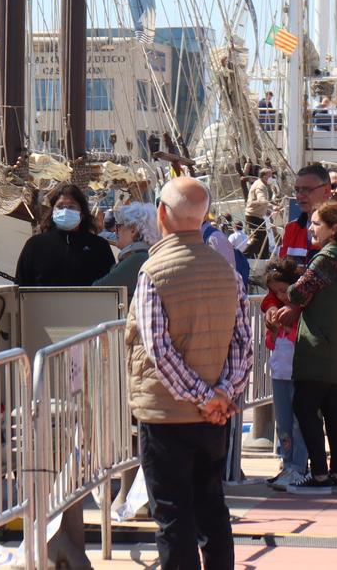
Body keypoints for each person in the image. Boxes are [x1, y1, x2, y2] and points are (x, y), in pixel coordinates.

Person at [124, 177, 251, 570]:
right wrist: (221, 394)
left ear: (162, 213)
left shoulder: (153, 272)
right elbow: (242, 343)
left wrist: (201, 394)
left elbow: (159, 350)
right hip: (214, 414)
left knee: (173, 515)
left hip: (166, 413)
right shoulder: (226, 271)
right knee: (212, 505)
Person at [269, 202, 337, 493]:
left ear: (334, 228)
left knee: (304, 406)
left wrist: (295, 278)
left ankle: (320, 475)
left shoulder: (327, 258)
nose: (310, 229)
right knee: (334, 410)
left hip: (318, 346)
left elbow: (297, 292)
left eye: (316, 224)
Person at [259, 257, 310, 489]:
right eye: (275, 292)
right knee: (284, 422)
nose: (280, 296)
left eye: (283, 290)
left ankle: (300, 466)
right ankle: (287, 463)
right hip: (280, 372)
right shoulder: (277, 308)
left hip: (300, 372)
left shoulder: (301, 308)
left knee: (301, 421)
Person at [15, 181, 115, 286]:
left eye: (71, 207)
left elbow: (111, 286)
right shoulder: (35, 245)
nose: (65, 211)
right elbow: (21, 285)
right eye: (60, 206)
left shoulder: (99, 246)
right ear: (53, 212)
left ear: (82, 214)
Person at [97, 202, 158, 292]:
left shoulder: (137, 259)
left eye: (118, 227)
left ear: (133, 230)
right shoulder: (149, 254)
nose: (115, 231)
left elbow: (97, 288)